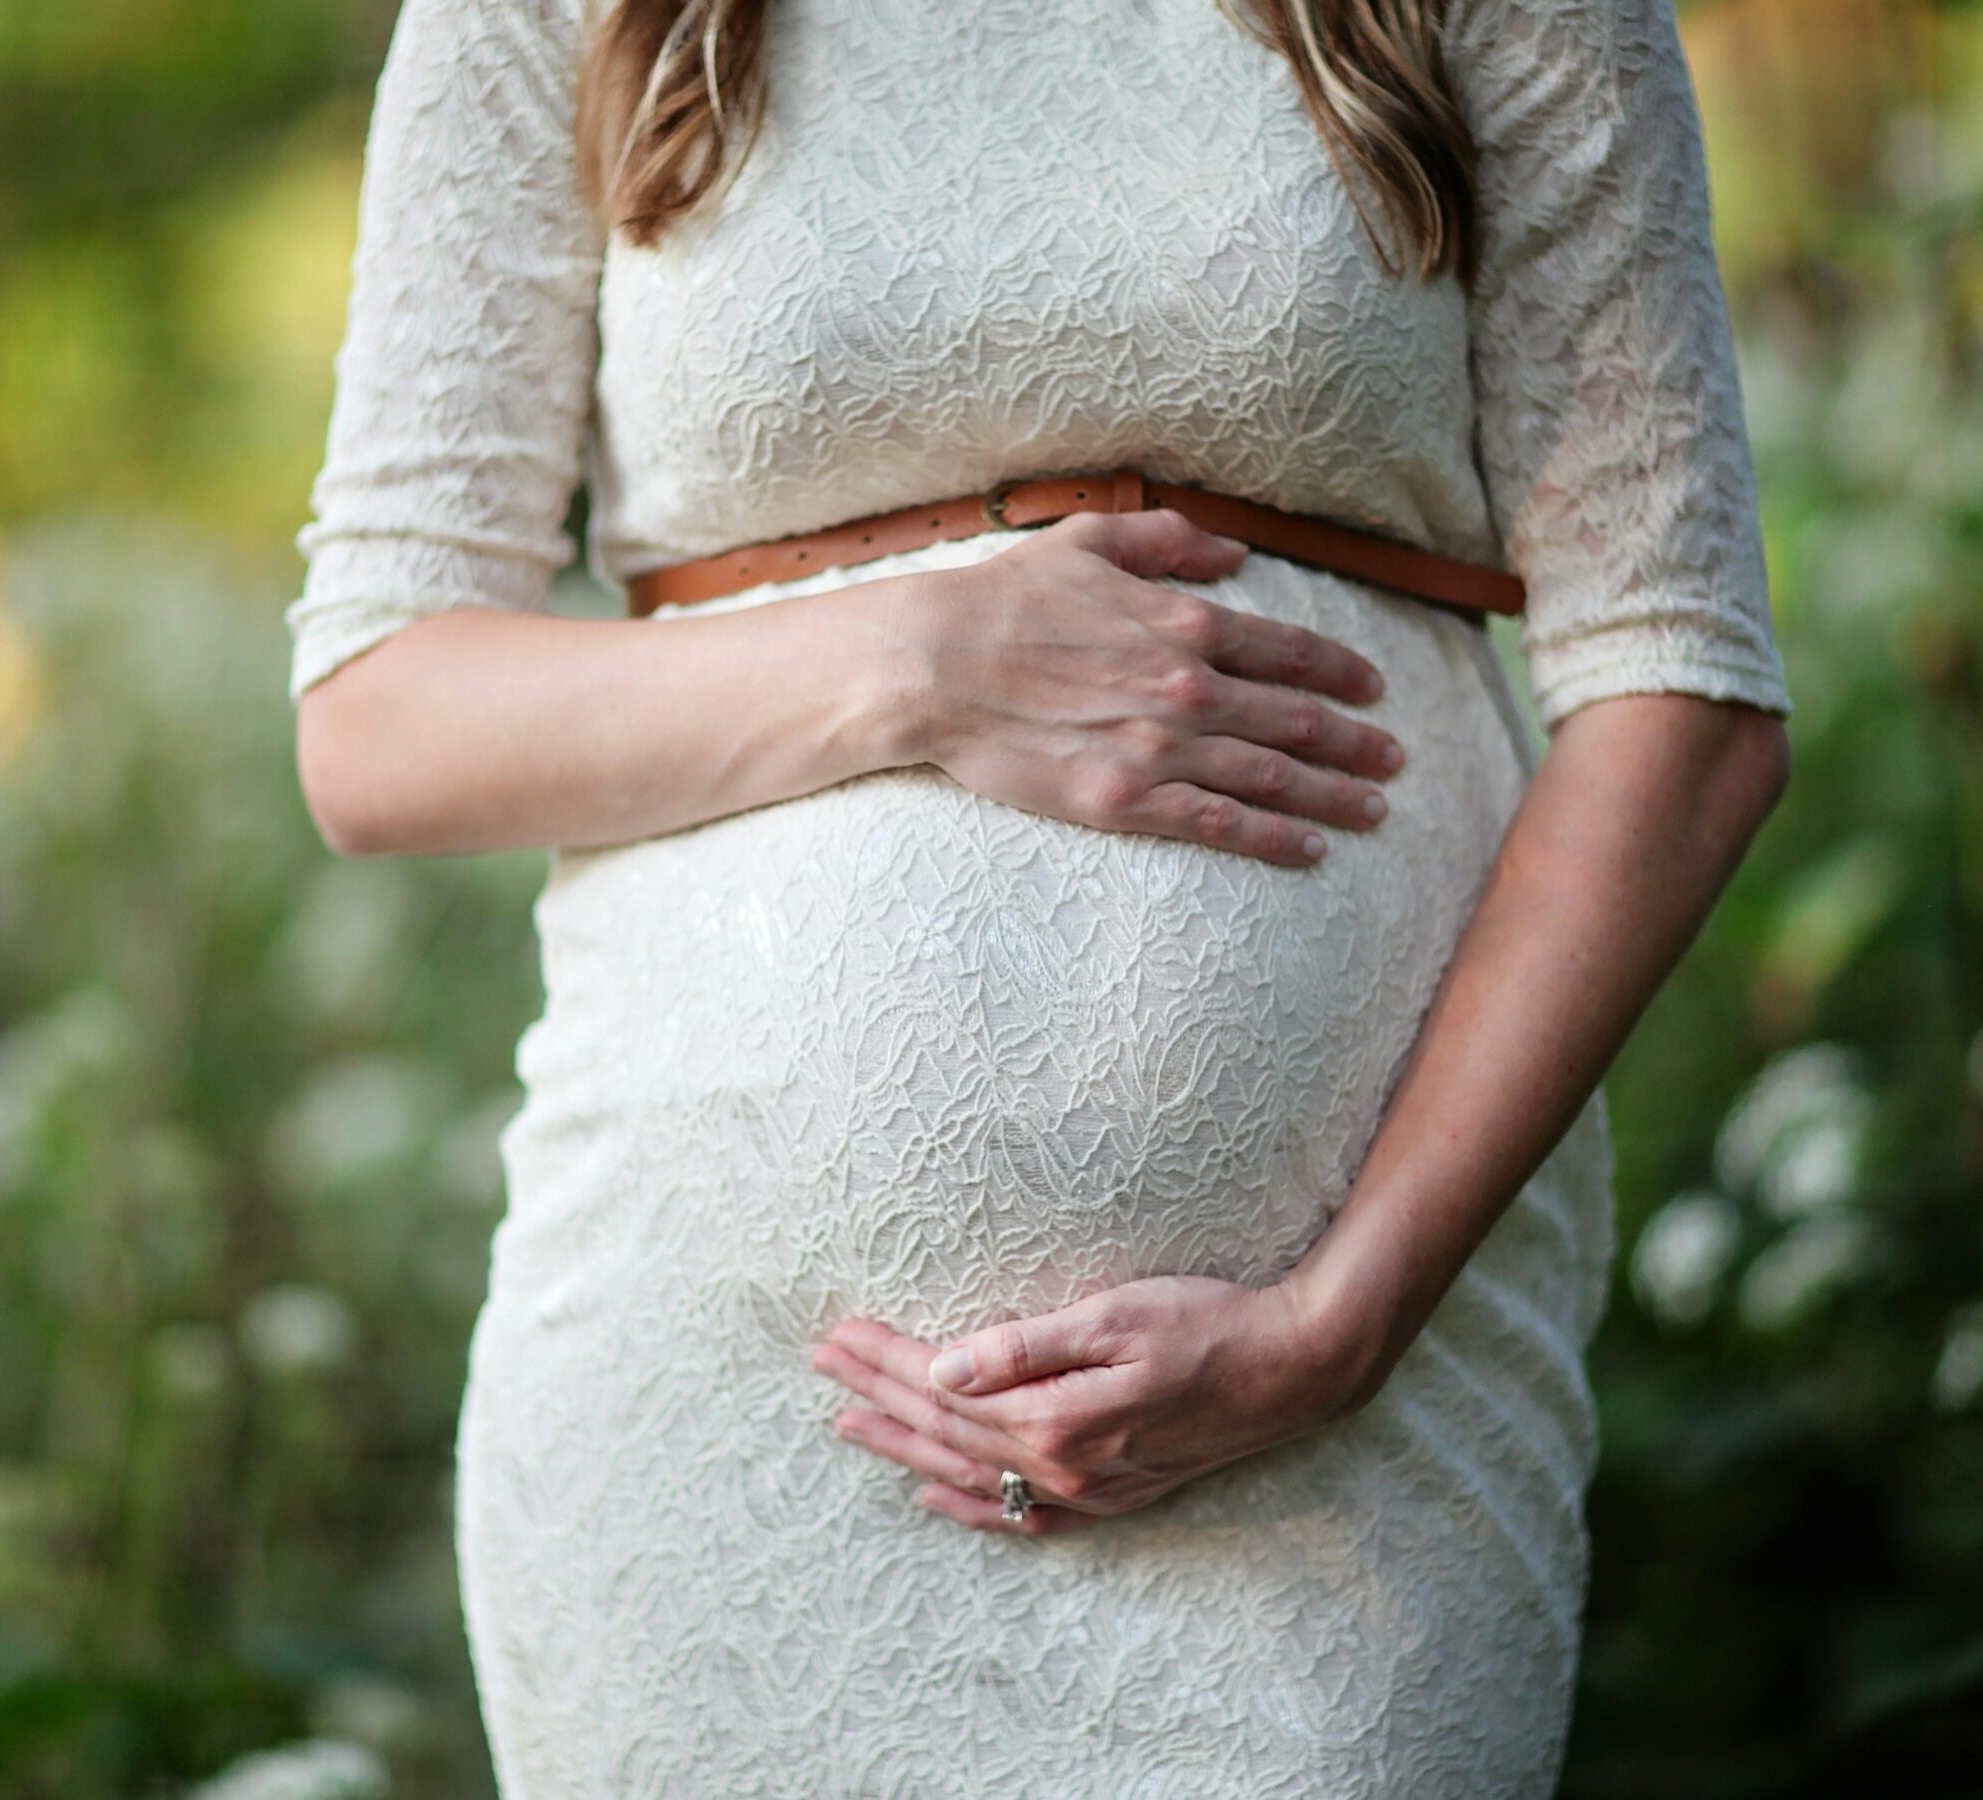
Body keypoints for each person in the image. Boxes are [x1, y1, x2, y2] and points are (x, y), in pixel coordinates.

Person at [285, 0, 1792, 1790]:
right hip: (714, 1418)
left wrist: (1342, 1325)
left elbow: (1680, 693)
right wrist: (920, 660)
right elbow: (377, 720)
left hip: (1346, 1434)